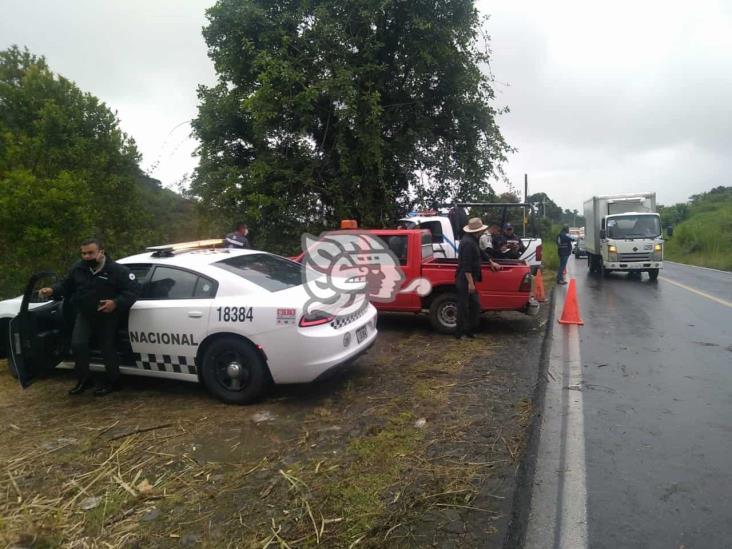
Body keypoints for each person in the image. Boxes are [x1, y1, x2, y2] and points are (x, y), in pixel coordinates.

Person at [38, 238, 141, 395]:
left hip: (107, 315)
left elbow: (132, 291)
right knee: (78, 345)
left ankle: (114, 382)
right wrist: (52, 290)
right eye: (83, 253)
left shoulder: (117, 270)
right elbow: (66, 286)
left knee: (107, 348)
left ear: (101, 252)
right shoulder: (78, 268)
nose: (86, 257)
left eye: (90, 253)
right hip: (85, 314)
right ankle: (85, 380)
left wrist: (115, 302)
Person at [455, 218, 501, 339]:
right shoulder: (468, 243)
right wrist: (470, 284)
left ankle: (469, 330)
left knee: (474, 305)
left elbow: (481, 252)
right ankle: (460, 332)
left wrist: (491, 262)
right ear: (477, 231)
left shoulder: (473, 240)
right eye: (481, 230)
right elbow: (466, 265)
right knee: (463, 306)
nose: (482, 232)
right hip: (465, 279)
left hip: (469, 278)